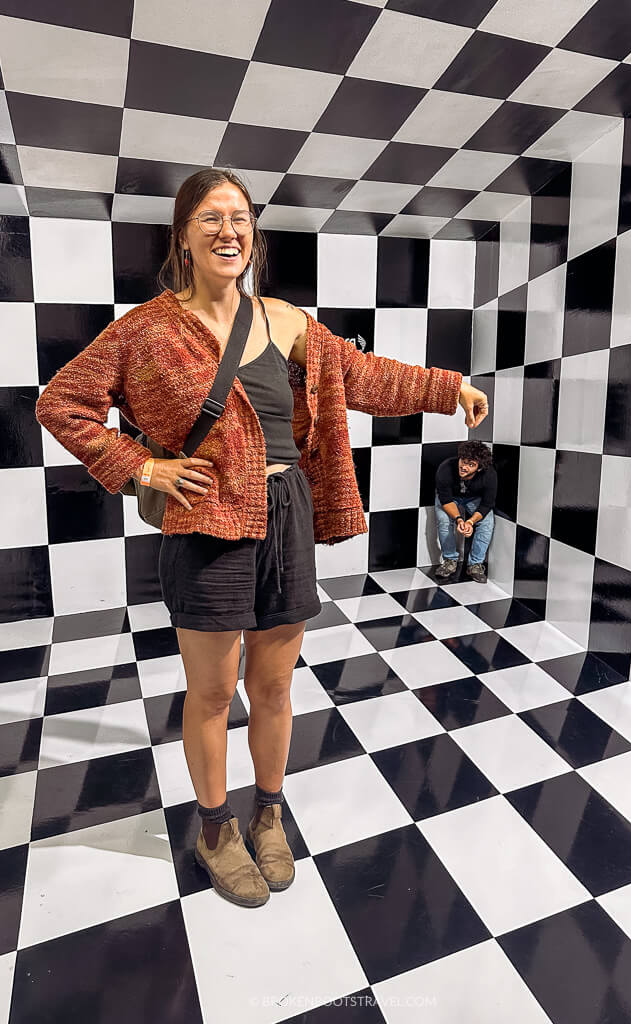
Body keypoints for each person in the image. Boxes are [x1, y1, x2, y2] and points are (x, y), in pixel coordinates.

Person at [35, 168, 489, 909]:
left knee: (273, 685)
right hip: (207, 522)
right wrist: (141, 464)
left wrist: (446, 388)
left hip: (288, 512)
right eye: (211, 217)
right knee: (211, 692)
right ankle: (215, 829)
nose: (229, 230)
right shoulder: (146, 330)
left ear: (253, 234)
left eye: (240, 217)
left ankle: (268, 813)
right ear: (183, 236)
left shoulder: (284, 320)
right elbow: (63, 402)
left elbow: (364, 376)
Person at [434, 441, 497, 583]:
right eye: (463, 461)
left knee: (487, 522)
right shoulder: (446, 468)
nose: (464, 467)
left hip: (474, 498)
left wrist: (470, 521)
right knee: (444, 520)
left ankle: (475, 564)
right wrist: (459, 520)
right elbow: (445, 500)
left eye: (471, 465)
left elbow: (487, 504)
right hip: (451, 498)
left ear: (479, 468)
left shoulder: (489, 475)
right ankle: (450, 560)